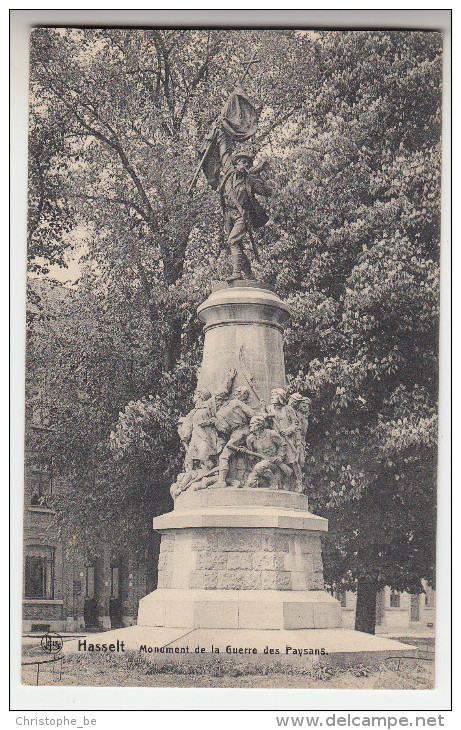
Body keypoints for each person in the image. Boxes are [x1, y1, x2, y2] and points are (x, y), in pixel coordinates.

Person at [218, 142, 271, 280]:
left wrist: (262, 175)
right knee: (237, 245)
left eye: (247, 163)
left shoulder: (250, 180)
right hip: (228, 215)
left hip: (242, 215)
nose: (245, 165)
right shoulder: (228, 179)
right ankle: (249, 275)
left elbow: (266, 192)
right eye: (242, 162)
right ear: (235, 165)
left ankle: (236, 273)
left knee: (233, 241)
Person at [178, 368, 236, 471]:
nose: (195, 397)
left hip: (207, 436)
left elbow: (222, 392)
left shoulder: (209, 404)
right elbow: (188, 424)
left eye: (197, 395)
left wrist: (229, 379)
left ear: (201, 396)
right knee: (190, 460)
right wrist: (185, 435)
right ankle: (196, 476)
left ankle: (210, 475)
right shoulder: (193, 411)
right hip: (196, 437)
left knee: (205, 456)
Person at [213, 385, 256, 488]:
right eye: (236, 392)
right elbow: (253, 413)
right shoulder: (231, 404)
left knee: (224, 456)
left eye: (240, 392)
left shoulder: (233, 405)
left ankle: (221, 481)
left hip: (240, 432)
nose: (236, 394)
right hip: (237, 432)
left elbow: (253, 414)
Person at [245, 414, 289, 489]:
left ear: (259, 425)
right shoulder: (250, 439)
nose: (250, 426)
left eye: (252, 423)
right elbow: (251, 458)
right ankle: (267, 479)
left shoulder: (271, 434)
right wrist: (246, 452)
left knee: (259, 467)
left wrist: (280, 457)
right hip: (260, 465)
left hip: (273, 462)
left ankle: (274, 482)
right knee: (250, 483)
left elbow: (283, 445)